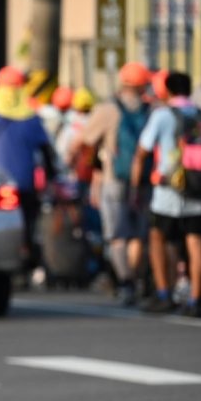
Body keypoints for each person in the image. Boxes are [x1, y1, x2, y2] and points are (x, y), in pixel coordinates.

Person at [79, 61, 154, 305]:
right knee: (137, 236)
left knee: (116, 236)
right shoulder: (151, 110)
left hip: (115, 178)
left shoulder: (108, 109)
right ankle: (137, 280)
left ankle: (126, 282)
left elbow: (85, 140)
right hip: (144, 179)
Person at [0, 66, 58, 279]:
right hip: (26, 180)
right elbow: (46, 150)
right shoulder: (31, 117)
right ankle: (29, 263)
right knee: (27, 225)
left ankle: (7, 265)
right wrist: (51, 177)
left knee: (1, 226)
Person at [132, 71, 201, 315]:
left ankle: (164, 293)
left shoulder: (162, 115)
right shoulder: (199, 114)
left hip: (167, 190)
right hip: (197, 187)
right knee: (195, 243)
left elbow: (143, 150)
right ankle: (196, 299)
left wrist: (136, 184)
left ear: (168, 90)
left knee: (157, 238)